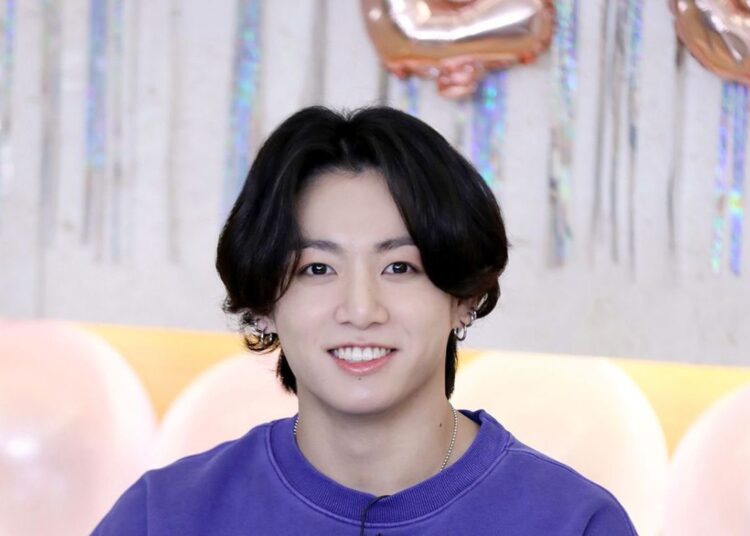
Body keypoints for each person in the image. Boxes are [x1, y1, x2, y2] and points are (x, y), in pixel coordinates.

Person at [92, 106, 637, 535]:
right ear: (263, 305)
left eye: (400, 267)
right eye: (316, 268)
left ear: (465, 297)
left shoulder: (574, 522)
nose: (360, 310)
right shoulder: (162, 516)